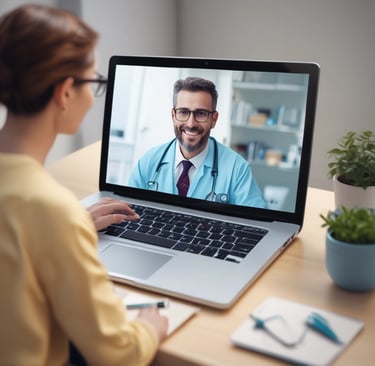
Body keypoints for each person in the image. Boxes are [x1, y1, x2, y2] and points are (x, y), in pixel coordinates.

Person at [0, 4, 168, 366]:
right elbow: (117, 354)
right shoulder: (50, 210)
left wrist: (67, 227)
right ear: (64, 92)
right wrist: (150, 328)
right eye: (94, 82)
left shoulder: (46, 211)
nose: (94, 97)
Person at [128, 76, 266, 207]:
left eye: (201, 113)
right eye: (183, 112)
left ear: (214, 119)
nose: (191, 123)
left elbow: (257, 222)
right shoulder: (149, 161)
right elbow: (128, 210)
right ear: (173, 116)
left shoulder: (237, 169)